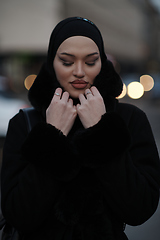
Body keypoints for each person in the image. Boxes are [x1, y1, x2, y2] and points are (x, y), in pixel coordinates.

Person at [1, 17, 160, 240]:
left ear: (102, 64)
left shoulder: (130, 119)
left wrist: (101, 132)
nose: (79, 71)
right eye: (66, 62)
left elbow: (140, 209)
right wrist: (51, 135)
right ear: (51, 64)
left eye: (91, 61)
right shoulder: (25, 122)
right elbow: (18, 214)